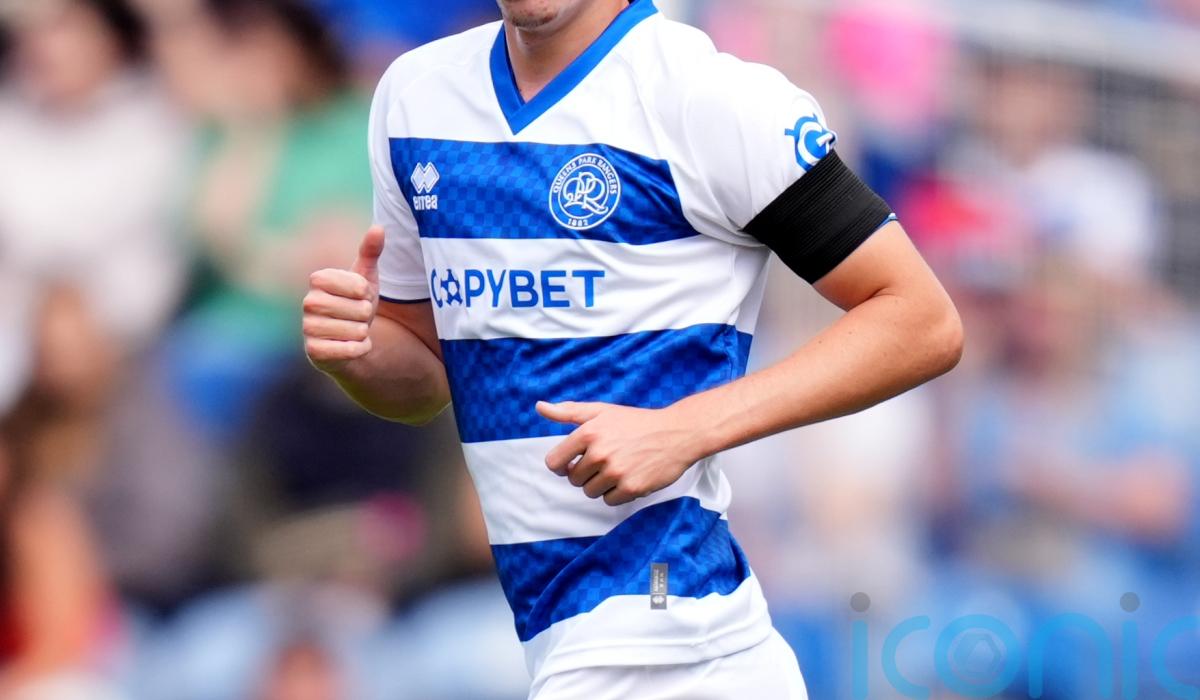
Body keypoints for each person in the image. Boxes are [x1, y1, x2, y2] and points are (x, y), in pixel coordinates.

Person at [302, 0, 963, 697]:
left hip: (666, 634)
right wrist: (359, 352)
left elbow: (922, 320)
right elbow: (427, 378)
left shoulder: (710, 100)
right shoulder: (415, 97)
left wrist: (685, 428)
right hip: (578, 636)